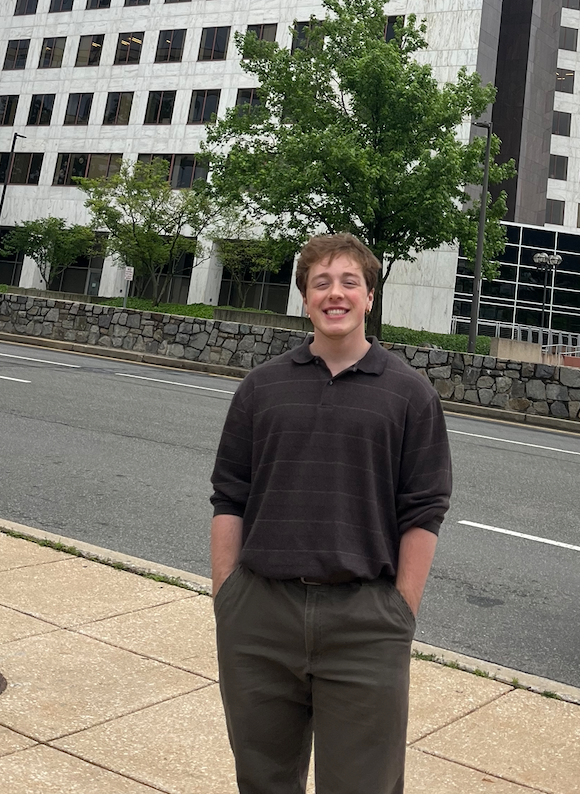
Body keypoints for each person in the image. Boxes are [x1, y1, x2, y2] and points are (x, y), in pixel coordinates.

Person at [210, 232, 452, 794]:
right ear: (305, 298)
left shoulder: (410, 395)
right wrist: (228, 595)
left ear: (370, 297)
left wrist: (401, 611)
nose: (335, 293)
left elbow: (424, 509)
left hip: (366, 623)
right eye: (321, 282)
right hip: (260, 617)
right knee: (263, 780)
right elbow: (229, 495)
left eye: (349, 282)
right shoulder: (261, 388)